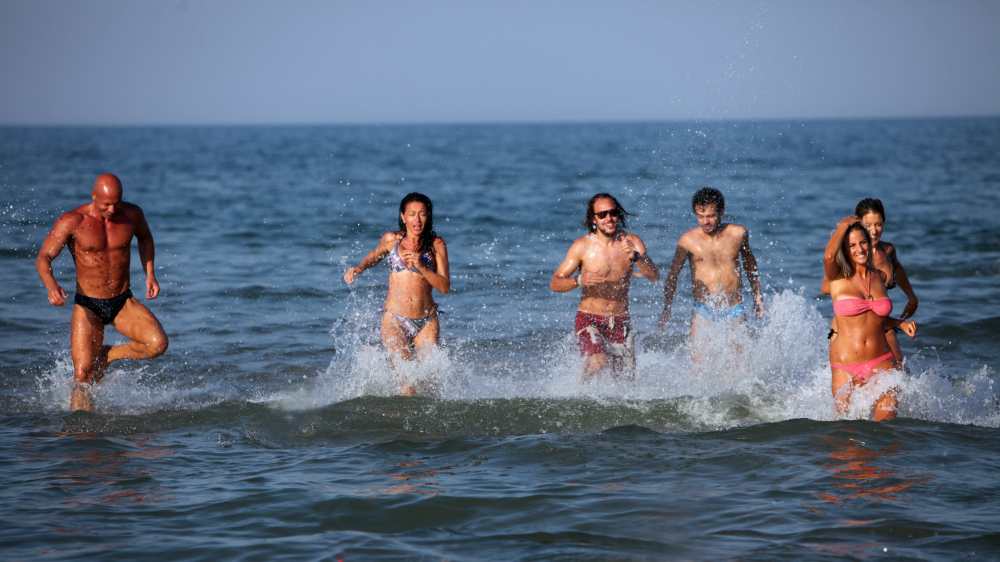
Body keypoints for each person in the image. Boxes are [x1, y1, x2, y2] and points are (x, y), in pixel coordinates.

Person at [35, 174, 168, 411]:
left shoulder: (132, 214)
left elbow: (145, 237)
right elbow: (43, 257)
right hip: (88, 306)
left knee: (158, 344)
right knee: (83, 376)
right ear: (93, 195)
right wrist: (51, 285)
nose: (112, 209)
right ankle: (83, 435)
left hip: (122, 302)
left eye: (117, 202)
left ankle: (108, 355)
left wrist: (150, 274)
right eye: (106, 203)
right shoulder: (72, 220)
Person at [343, 193, 450, 395]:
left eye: (422, 214)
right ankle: (403, 426)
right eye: (412, 214)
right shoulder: (392, 239)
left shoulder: (436, 245)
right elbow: (375, 255)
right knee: (408, 386)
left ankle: (425, 426)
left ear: (429, 216)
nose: (417, 220)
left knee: (431, 388)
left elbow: (444, 286)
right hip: (395, 320)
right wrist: (360, 268)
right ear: (403, 216)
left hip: (427, 322)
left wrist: (422, 267)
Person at [550, 193, 660, 383]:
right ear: (593, 219)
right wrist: (579, 280)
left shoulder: (632, 242)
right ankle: (579, 388)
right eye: (602, 215)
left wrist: (636, 257)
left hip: (621, 322)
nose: (608, 218)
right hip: (589, 319)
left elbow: (654, 276)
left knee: (625, 384)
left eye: (612, 213)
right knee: (598, 363)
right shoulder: (582, 246)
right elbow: (555, 283)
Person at [824, 216, 917, 421]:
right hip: (845, 367)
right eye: (852, 245)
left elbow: (875, 320)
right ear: (845, 249)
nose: (859, 249)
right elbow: (829, 257)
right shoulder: (838, 277)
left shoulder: (879, 277)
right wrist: (842, 226)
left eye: (863, 242)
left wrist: (900, 323)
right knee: (846, 439)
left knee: (886, 432)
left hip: (882, 361)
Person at [658, 188, 764, 345]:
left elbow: (750, 264)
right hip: (703, 310)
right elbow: (673, 275)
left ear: (721, 213)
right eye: (700, 217)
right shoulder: (687, 241)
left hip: (734, 308)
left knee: (739, 366)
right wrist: (667, 307)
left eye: (710, 216)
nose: (705, 222)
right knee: (699, 366)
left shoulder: (738, 233)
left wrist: (758, 297)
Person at [822, 198, 918, 364]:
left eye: (878, 224)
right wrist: (854, 283)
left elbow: (899, 270)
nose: (873, 231)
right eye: (868, 225)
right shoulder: (849, 255)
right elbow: (825, 286)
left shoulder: (887, 250)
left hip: (880, 320)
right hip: (848, 326)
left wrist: (911, 298)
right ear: (859, 225)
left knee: (899, 368)